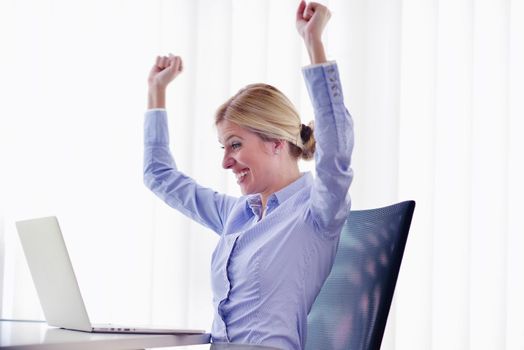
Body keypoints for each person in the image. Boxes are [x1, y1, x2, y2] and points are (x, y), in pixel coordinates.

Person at [143, 1, 354, 349]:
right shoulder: (236, 215)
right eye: (224, 148)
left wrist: (313, 42)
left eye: (235, 145)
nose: (226, 162)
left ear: (275, 141)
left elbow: (336, 150)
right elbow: (159, 177)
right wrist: (156, 91)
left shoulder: (317, 212)